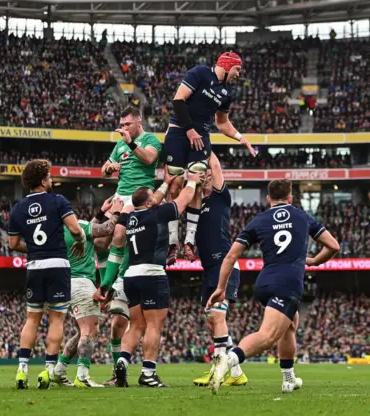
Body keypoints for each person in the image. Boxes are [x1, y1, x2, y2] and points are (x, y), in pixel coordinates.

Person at [206, 179, 340, 394]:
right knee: (268, 336)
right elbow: (333, 246)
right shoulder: (302, 216)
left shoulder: (258, 220)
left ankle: (288, 379)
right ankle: (228, 360)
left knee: (289, 326)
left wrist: (221, 287)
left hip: (265, 282)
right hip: (287, 283)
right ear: (291, 197)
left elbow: (231, 256)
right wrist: (315, 261)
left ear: (268, 199)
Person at [164, 51, 255, 264]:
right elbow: (178, 101)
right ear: (226, 65)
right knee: (175, 184)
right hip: (178, 131)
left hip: (201, 137)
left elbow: (222, 123)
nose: (238, 74)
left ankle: (188, 242)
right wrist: (189, 130)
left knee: (196, 182)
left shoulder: (226, 92)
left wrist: (240, 137)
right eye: (237, 69)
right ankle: (172, 243)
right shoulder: (199, 73)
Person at [113, 172, 201, 387]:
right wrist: (192, 181)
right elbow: (182, 201)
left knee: (135, 325)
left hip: (131, 275)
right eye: (153, 196)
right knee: (154, 324)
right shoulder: (157, 214)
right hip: (152, 273)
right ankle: (148, 373)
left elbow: (118, 235)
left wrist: (166, 183)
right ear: (149, 202)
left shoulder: (131, 218)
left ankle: (122, 360)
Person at [8, 159, 87, 389]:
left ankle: (22, 370)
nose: (52, 180)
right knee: (56, 318)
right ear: (43, 181)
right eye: (49, 176)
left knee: (32, 318)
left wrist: (32, 248)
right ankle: (48, 370)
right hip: (57, 265)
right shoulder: (58, 201)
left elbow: (13, 243)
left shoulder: (18, 208)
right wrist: (81, 240)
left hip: (34, 266)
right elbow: (75, 229)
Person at [100, 105, 162, 359]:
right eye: (121, 125)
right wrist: (109, 169)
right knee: (101, 238)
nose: (123, 129)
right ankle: (106, 283)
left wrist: (131, 143)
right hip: (120, 193)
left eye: (127, 124)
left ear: (138, 122)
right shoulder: (119, 143)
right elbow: (105, 166)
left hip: (139, 195)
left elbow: (148, 159)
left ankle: (113, 283)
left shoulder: (150, 139)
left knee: (120, 235)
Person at [52, 197, 123, 388]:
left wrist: (101, 212)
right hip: (82, 283)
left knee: (80, 331)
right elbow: (106, 230)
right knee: (89, 331)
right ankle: (82, 375)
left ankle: (59, 370)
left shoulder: (58, 231)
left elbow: (88, 229)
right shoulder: (80, 227)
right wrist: (116, 212)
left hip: (66, 284)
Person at [189, 153, 247, 387]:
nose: (206, 176)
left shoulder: (221, 197)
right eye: (202, 174)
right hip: (208, 268)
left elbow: (214, 164)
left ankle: (218, 370)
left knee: (217, 316)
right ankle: (236, 374)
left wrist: (204, 144)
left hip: (225, 265)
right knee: (211, 323)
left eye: (208, 173)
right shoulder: (196, 202)